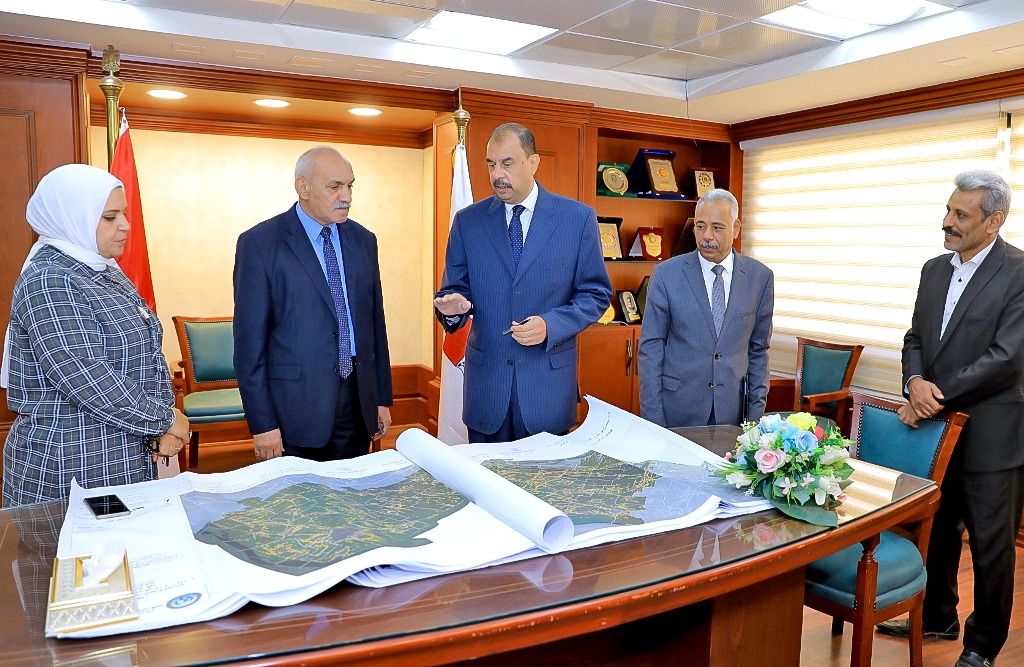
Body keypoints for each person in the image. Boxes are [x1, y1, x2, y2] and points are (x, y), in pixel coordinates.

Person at [876, 170, 1024, 667]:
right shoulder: (934, 269)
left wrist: (932, 396)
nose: (948, 222)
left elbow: (1007, 359)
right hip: (936, 432)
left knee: (990, 547)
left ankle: (983, 646)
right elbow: (915, 338)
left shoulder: (1019, 272)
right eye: (948, 210)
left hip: (993, 436)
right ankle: (938, 616)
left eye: (961, 214)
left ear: (994, 221)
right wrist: (914, 382)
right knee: (936, 531)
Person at [1, 164, 189, 507]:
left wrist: (163, 423)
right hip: (74, 467)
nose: (125, 225)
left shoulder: (102, 270)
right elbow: (88, 378)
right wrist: (165, 419)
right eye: (110, 217)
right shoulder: (51, 280)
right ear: (73, 218)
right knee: (85, 545)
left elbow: (146, 354)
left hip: (123, 456)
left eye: (124, 214)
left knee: (131, 541)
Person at [434, 122, 612, 442]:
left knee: (544, 477)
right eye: (491, 164)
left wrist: (550, 325)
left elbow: (596, 294)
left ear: (533, 163)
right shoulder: (467, 222)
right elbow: (454, 290)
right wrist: (453, 308)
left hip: (547, 390)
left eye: (507, 163)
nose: (497, 175)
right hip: (486, 390)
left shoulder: (577, 219)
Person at [233, 146, 392, 462]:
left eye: (350, 185)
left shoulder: (364, 241)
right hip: (293, 411)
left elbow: (375, 325)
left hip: (357, 404)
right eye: (335, 187)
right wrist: (262, 423)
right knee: (298, 495)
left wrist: (381, 397)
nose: (346, 196)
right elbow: (249, 346)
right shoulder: (260, 243)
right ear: (302, 188)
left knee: (353, 491)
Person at [638, 188, 774, 428]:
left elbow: (759, 351)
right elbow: (651, 350)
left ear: (736, 228)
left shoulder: (760, 278)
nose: (706, 236)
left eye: (717, 228)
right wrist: (653, 422)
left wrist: (754, 419)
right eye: (700, 226)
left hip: (733, 414)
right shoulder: (666, 275)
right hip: (677, 410)